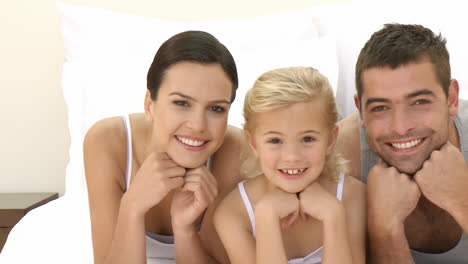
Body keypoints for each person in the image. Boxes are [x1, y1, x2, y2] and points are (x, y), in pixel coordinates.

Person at [83, 30, 246, 264]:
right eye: (181, 103)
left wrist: (185, 230)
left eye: (216, 109)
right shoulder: (107, 141)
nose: (198, 126)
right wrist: (132, 206)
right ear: (149, 105)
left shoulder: (235, 151)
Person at [336, 23, 468, 263]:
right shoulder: (341, 163)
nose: (400, 127)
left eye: (419, 102)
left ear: (451, 98)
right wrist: (385, 230)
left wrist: (463, 202)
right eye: (381, 108)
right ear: (361, 111)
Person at [214, 67, 366, 264]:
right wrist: (266, 220)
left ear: (330, 139)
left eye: (308, 138)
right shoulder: (234, 213)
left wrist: (333, 216)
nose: (292, 157)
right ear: (252, 143)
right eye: (275, 141)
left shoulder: (352, 196)